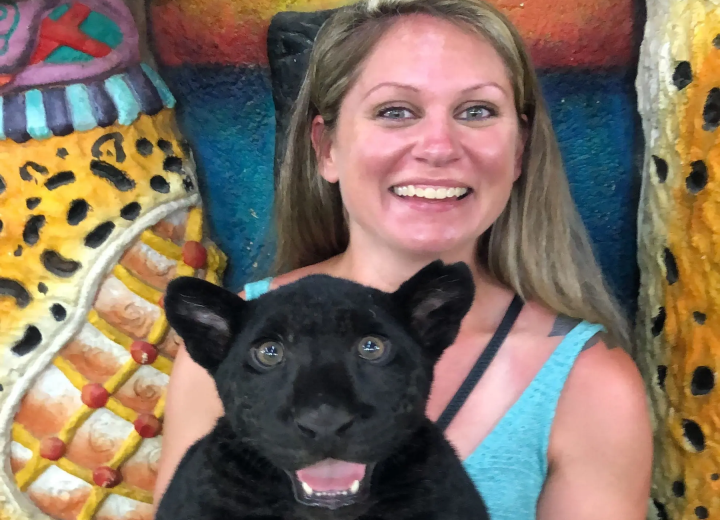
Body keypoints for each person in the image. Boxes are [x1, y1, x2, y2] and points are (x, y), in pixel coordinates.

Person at [154, 0, 653, 518]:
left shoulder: (588, 386)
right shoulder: (228, 346)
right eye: (395, 111)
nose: (438, 146)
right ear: (327, 148)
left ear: (519, 150)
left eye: (476, 111)